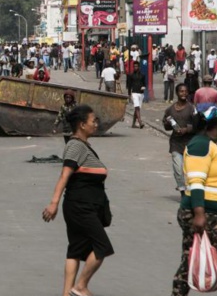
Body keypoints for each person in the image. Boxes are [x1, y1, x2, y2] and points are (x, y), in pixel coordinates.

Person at [42, 105, 113, 296]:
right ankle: (80, 286)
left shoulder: (83, 146)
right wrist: (54, 203)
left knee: (75, 249)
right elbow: (64, 175)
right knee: (102, 246)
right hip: (81, 207)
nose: (96, 124)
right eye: (93, 121)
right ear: (82, 125)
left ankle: (67, 294)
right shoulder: (75, 146)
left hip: (82, 206)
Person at [172, 106, 217, 296]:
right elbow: (196, 181)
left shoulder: (210, 145)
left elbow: (214, 181)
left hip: (210, 211)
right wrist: (199, 214)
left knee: (189, 261)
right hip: (206, 214)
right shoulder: (200, 145)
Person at [163, 84, 196, 196]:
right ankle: (182, 190)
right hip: (176, 143)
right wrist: (167, 123)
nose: (184, 94)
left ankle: (192, 190)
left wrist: (186, 130)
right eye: (181, 91)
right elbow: (166, 127)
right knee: (178, 167)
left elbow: (198, 125)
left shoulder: (192, 108)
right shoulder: (170, 110)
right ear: (177, 93)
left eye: (185, 91)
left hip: (190, 143)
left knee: (190, 169)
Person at [127, 62, 146, 129]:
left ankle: (133, 123)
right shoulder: (131, 75)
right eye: (134, 66)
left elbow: (144, 84)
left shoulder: (142, 75)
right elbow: (129, 86)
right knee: (137, 107)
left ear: (139, 67)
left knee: (137, 108)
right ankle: (140, 122)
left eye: (136, 66)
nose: (135, 68)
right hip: (134, 93)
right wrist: (129, 94)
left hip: (141, 93)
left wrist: (143, 87)